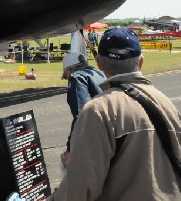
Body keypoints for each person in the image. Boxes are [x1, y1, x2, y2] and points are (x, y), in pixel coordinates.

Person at [50, 28, 181, 200]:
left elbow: (79, 189)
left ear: (99, 63)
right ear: (140, 62)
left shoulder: (98, 110)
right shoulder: (166, 103)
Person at [59, 50, 106, 168]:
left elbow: (82, 116)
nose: (67, 79)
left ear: (70, 69)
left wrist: (70, 149)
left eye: (66, 75)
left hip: (95, 139)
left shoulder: (77, 77)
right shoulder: (100, 73)